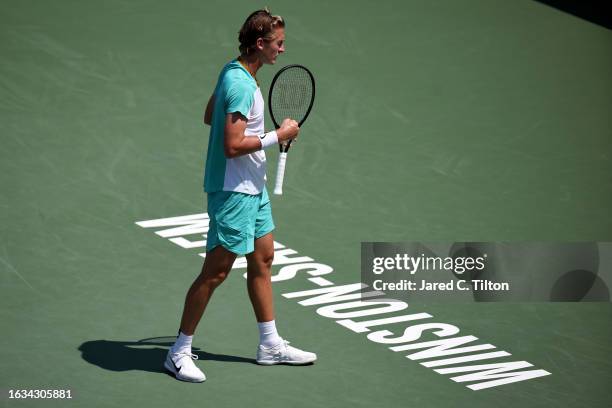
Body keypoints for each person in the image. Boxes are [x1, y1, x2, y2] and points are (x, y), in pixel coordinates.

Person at [164, 8, 317, 383]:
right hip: (233, 191)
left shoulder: (234, 71)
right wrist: (277, 137)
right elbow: (232, 145)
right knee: (215, 272)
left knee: (263, 259)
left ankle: (269, 345)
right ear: (261, 44)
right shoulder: (241, 85)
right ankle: (178, 351)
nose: (283, 49)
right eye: (278, 44)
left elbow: (208, 116)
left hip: (253, 187)